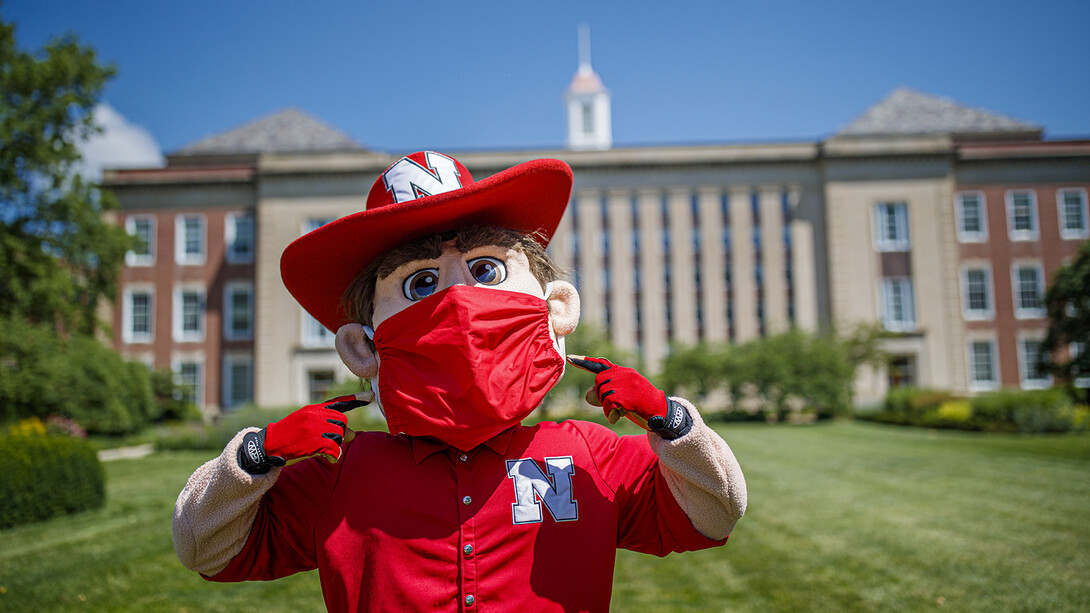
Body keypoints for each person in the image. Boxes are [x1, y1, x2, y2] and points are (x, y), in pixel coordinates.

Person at [172, 151, 747, 612]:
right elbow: (206, 549)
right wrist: (252, 459)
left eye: (485, 271)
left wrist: (674, 425)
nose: (457, 302)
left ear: (555, 310)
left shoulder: (586, 458)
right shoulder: (340, 477)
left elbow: (714, 512)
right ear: (362, 347)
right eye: (421, 283)